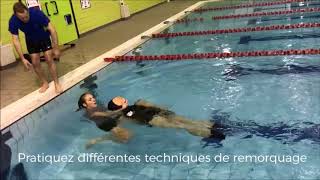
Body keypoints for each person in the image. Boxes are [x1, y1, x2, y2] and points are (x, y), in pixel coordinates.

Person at [78, 92, 225, 148]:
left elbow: (125, 122)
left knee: (181, 125)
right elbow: (153, 106)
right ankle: (213, 126)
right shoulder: (135, 104)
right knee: (184, 122)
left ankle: (211, 134)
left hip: (153, 119)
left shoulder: (125, 113)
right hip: (157, 114)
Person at [9, 2, 62, 93]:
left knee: (49, 58)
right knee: (35, 62)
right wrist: (22, 58)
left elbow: (52, 30)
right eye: (22, 18)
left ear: (27, 11)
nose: (26, 19)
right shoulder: (13, 21)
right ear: (16, 15)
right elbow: (15, 40)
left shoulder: (36, 13)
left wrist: (56, 48)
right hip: (31, 40)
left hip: (43, 37)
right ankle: (45, 83)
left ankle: (56, 83)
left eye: (26, 16)